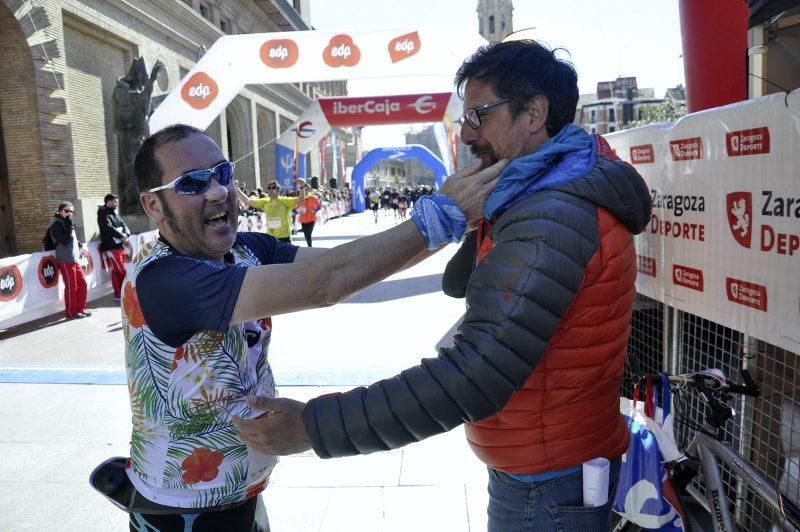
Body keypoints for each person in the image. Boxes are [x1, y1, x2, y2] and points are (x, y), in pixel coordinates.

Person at [234, 39, 652, 532]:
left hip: (548, 484)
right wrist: (473, 215)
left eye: (480, 115)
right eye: (464, 118)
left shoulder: (551, 214)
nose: (469, 134)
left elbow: (473, 376)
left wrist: (313, 427)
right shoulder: (535, 191)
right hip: (544, 465)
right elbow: (463, 284)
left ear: (534, 113)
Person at [121, 123, 503, 531]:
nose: (217, 191)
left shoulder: (248, 248)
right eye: (193, 183)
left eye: (223, 174)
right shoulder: (164, 280)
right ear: (154, 206)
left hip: (238, 495)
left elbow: (350, 266)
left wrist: (455, 224)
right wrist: (443, 214)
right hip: (180, 509)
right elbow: (327, 282)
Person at [47, 202, 91, 319]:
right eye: (66, 211)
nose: (69, 214)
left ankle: (80, 309)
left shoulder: (67, 223)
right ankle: (71, 313)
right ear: (60, 211)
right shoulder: (57, 224)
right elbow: (63, 241)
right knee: (72, 286)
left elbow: (73, 240)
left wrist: (81, 247)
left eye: (71, 211)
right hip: (65, 260)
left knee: (83, 284)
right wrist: (68, 225)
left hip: (74, 259)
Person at [97, 193, 131, 301]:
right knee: (120, 270)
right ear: (109, 202)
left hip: (119, 246)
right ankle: (120, 293)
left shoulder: (114, 213)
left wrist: (126, 234)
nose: (117, 203)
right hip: (111, 247)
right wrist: (121, 236)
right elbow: (108, 227)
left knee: (118, 270)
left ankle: (121, 292)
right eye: (115, 201)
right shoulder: (103, 213)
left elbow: (123, 224)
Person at [295, 179, 320, 247]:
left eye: (306, 189)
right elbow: (294, 209)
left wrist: (314, 210)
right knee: (306, 235)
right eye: (304, 189)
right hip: (303, 220)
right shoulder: (299, 199)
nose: (305, 191)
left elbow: (319, 207)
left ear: (309, 190)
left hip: (311, 219)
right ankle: (308, 244)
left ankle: (310, 247)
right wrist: (298, 211)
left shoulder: (313, 198)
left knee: (308, 234)